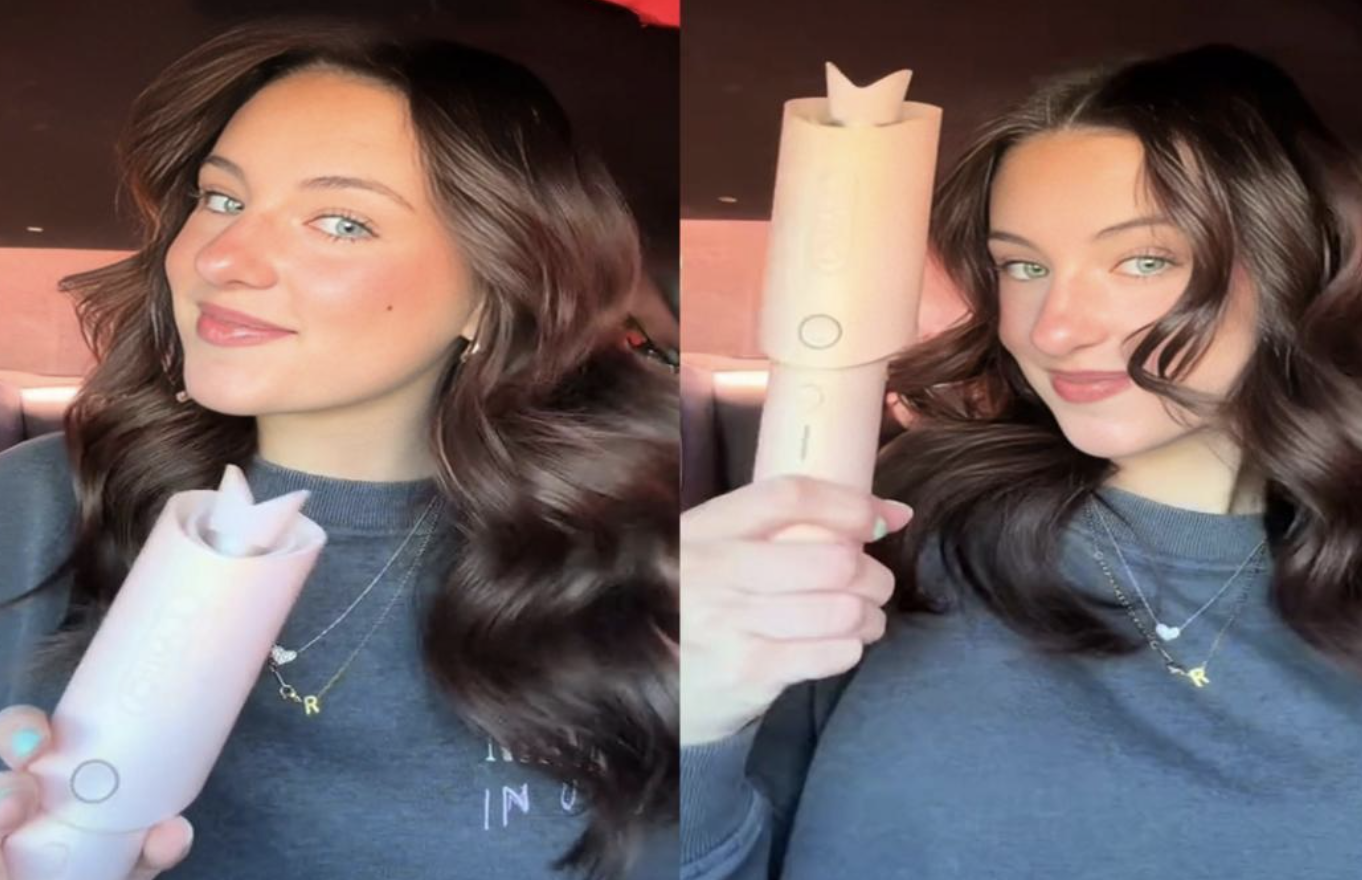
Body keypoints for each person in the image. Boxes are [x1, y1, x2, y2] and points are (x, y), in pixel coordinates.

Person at [0, 19, 678, 880]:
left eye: (341, 223)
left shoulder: (626, 557)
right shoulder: (40, 507)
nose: (225, 259)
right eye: (221, 199)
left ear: (494, 286)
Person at [680, 44, 1362, 878]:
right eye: (1024, 266)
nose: (1054, 328)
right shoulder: (906, 518)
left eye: (1143, 260)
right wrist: (693, 721)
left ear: (1298, 263)